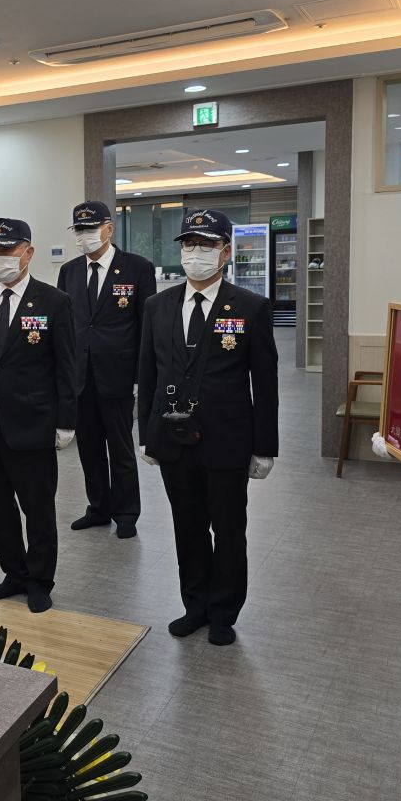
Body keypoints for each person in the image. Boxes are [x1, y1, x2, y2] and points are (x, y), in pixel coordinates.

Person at [137, 209, 278, 646]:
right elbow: (147, 375)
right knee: (188, 526)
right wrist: (146, 435)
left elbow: (265, 383)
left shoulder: (250, 307)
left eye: (206, 244)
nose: (195, 253)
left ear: (226, 252)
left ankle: (223, 612)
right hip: (172, 439)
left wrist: (265, 447)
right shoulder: (157, 306)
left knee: (229, 529)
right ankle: (195, 605)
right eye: (188, 244)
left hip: (227, 439)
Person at [0, 218, 76, 613]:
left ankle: (40, 580)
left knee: (37, 509)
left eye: (6, 249)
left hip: (33, 423)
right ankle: (14, 572)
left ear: (28, 252)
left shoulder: (54, 302)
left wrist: (66, 420)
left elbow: (66, 365)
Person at [57, 200, 156, 538]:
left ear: (109, 229)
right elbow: (65, 325)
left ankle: (126, 512)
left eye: (91, 228)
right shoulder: (69, 271)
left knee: (120, 447)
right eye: (79, 229)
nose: (84, 235)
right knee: (89, 448)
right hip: (80, 375)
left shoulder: (137, 268)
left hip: (118, 374)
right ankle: (98, 507)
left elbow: (146, 327)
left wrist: (142, 377)